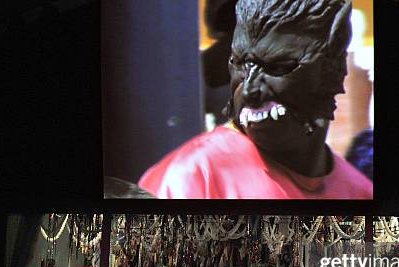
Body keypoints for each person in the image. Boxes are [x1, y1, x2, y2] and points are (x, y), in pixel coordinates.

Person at [138, 0, 372, 199]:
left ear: (333, 65)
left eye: (278, 66)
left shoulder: (361, 192)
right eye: (239, 64)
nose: (249, 91)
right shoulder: (190, 177)